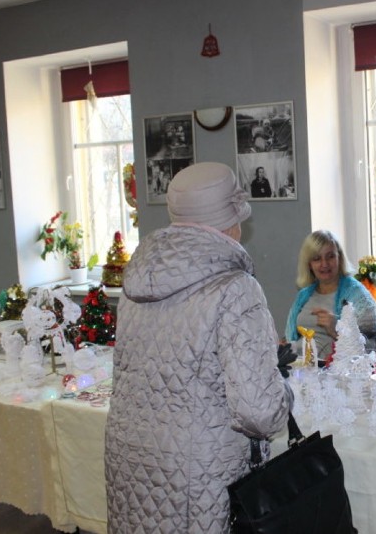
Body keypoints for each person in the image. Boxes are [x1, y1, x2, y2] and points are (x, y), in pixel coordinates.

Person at [105, 161, 293, 533]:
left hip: (131, 457)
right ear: (231, 220)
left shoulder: (135, 285)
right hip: (200, 470)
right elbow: (260, 412)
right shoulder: (235, 289)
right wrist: (285, 390)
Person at [285, 230, 376, 361]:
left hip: (335, 372)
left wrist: (338, 329)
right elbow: (291, 337)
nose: (324, 264)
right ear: (309, 265)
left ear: (339, 258)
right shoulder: (303, 296)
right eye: (317, 258)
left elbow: (370, 348)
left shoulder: (358, 295)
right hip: (299, 368)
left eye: (330, 256)